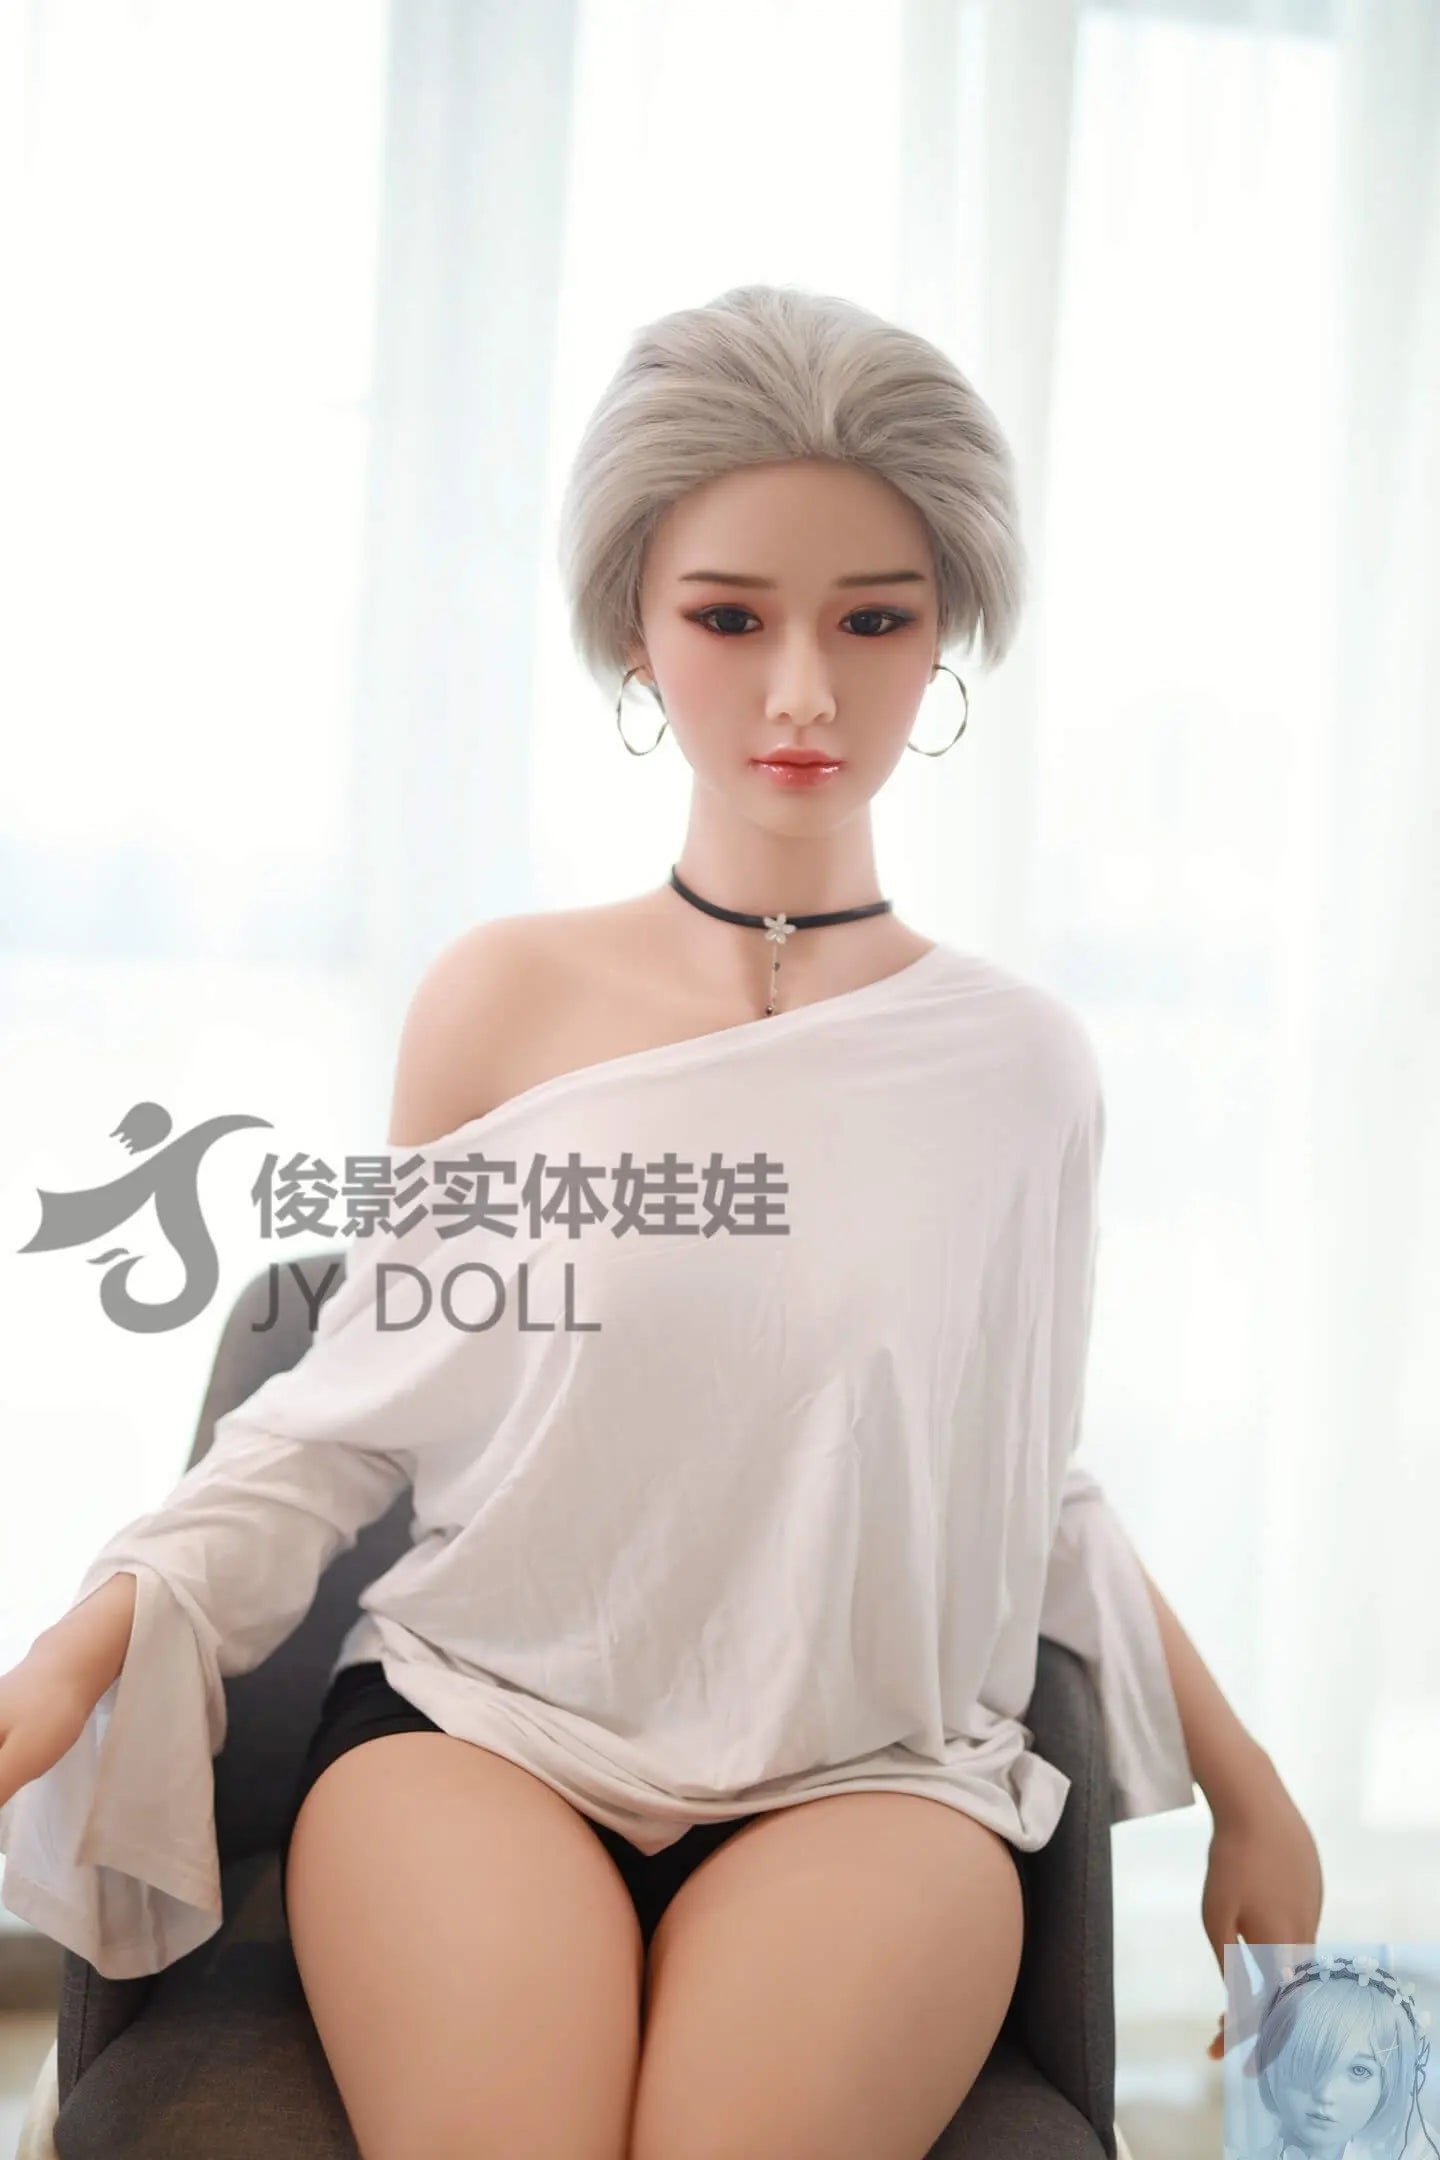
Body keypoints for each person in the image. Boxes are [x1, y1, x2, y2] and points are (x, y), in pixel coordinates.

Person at [0, 282, 1322, 2157]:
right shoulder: (503, 1002)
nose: (804, 693)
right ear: (635, 621)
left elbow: (1022, 1479)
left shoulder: (1020, 1068)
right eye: (730, 617)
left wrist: (1252, 1786)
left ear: (949, 628)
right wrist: (95, 1634)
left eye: (874, 619)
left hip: (872, 1777)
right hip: (479, 1731)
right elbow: (343, 1418)